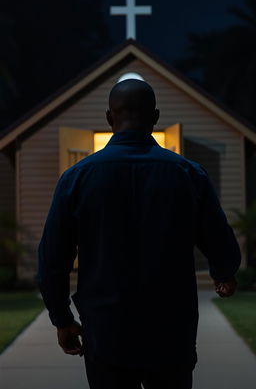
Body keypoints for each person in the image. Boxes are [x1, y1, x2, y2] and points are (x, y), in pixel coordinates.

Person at [36, 79, 241, 389]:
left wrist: (62, 318)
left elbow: (53, 257)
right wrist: (223, 272)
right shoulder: (187, 174)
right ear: (155, 117)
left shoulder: (77, 178)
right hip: (171, 328)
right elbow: (217, 235)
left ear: (109, 117)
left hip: (106, 330)